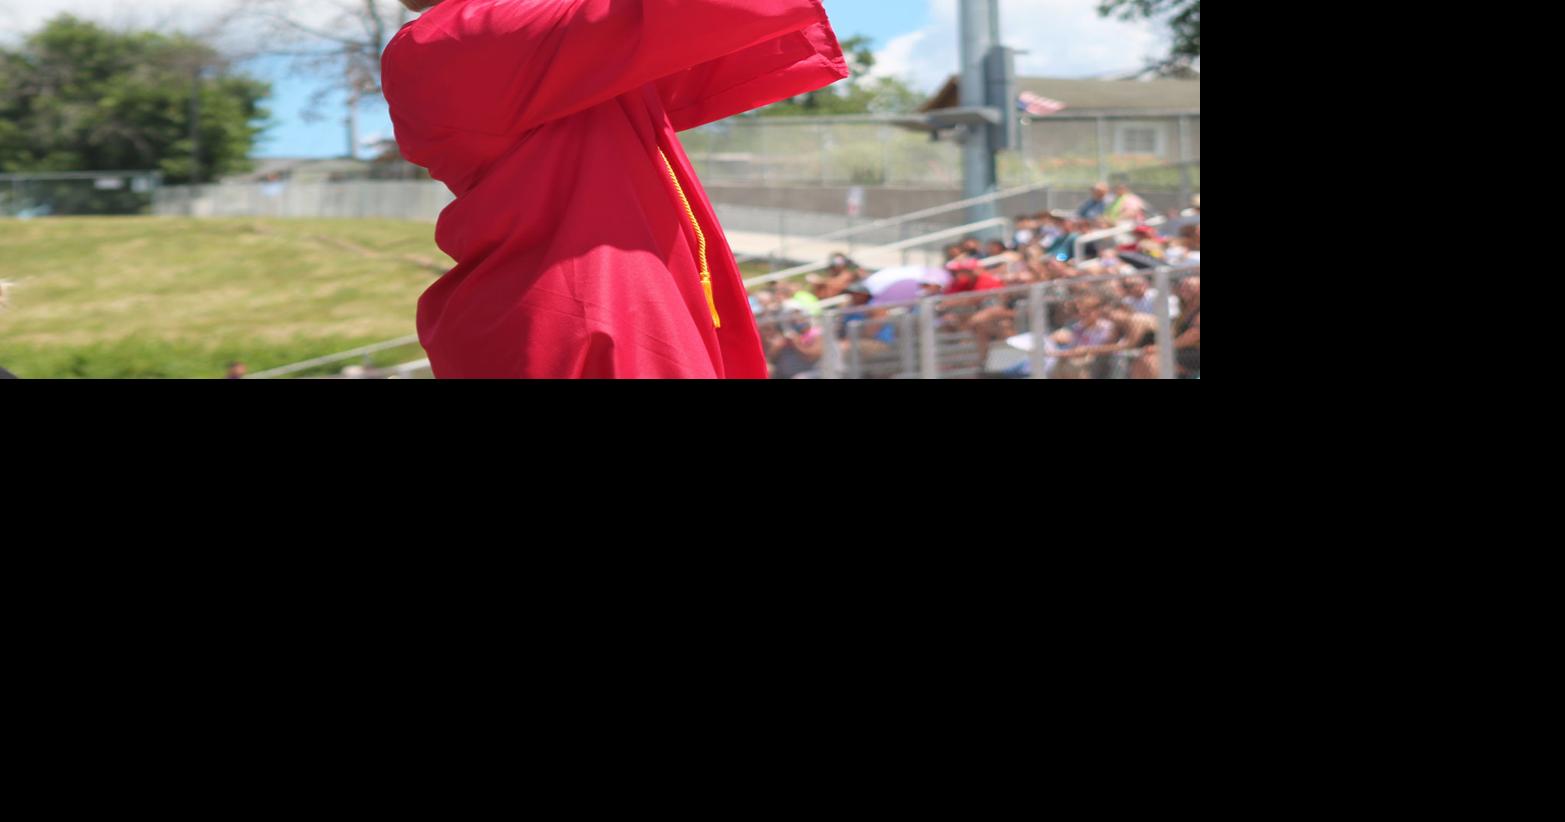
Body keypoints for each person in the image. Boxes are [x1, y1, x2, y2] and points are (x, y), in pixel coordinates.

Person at [383, 0, 848, 378]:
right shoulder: (459, 37)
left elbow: (718, 38)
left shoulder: (517, 37)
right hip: (592, 323)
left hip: (585, 312)